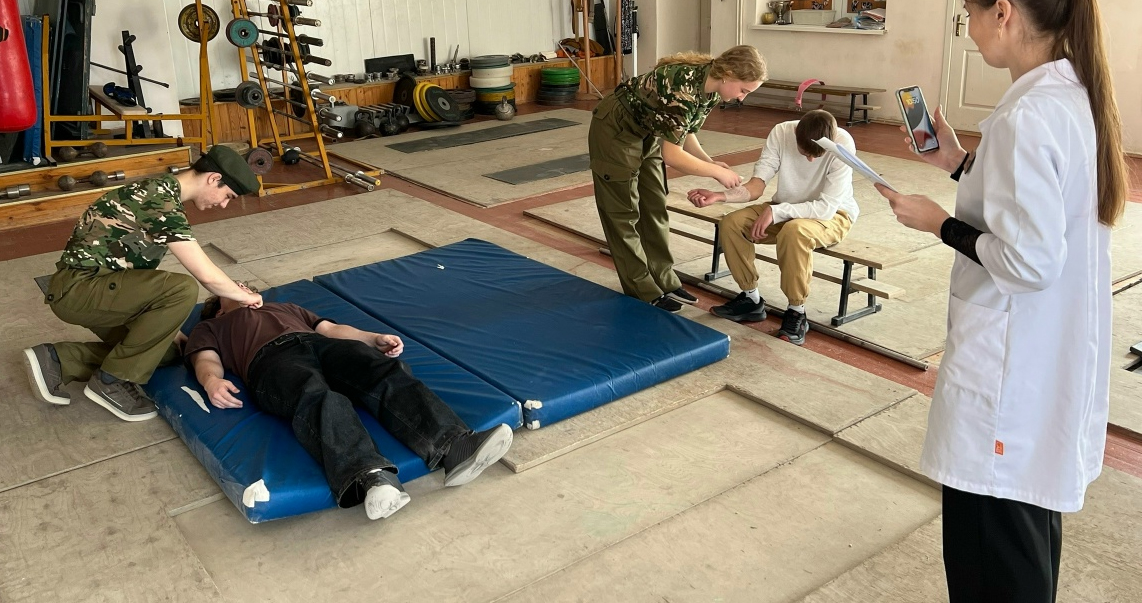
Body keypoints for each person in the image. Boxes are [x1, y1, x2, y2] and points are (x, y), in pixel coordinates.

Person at [876, 0, 1128, 602]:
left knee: (994, 561)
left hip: (1010, 377)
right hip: (1043, 363)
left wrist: (938, 223)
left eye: (970, 12)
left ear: (1004, 13)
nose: (970, 28)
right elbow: (1029, 206)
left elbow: (1028, 260)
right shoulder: (1070, 95)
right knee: (1025, 544)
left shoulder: (1028, 113)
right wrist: (959, 163)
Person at [184, 284, 514, 521]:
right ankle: (371, 478)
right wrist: (211, 380)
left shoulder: (286, 308)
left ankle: (455, 446)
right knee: (316, 396)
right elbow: (205, 359)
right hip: (270, 361)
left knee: (382, 370)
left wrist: (372, 339)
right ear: (218, 305)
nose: (242, 286)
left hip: (320, 344)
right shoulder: (212, 325)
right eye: (233, 286)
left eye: (244, 284)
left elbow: (330, 328)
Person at [23, 146, 264, 422]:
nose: (223, 205)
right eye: (227, 196)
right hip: (80, 289)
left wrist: (168, 328)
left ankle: (58, 360)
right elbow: (206, 275)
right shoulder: (160, 199)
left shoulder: (161, 193)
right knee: (182, 289)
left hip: (98, 287)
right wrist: (245, 296)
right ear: (213, 178)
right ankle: (112, 382)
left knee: (165, 351)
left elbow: (139, 272)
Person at [589, 45, 767, 312]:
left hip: (648, 129)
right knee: (623, 213)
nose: (742, 98)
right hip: (616, 128)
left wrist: (708, 161)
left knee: (654, 205)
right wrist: (717, 172)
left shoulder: (711, 89)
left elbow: (684, 131)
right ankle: (642, 288)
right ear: (728, 75)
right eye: (744, 90)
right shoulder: (683, 88)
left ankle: (664, 279)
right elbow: (673, 155)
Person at [687, 110, 858, 344]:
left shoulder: (843, 143)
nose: (810, 160)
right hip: (786, 208)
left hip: (833, 215)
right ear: (796, 134)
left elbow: (826, 208)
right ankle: (751, 299)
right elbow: (756, 186)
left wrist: (777, 212)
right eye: (805, 153)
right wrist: (719, 196)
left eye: (816, 155)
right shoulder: (782, 132)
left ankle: (797, 311)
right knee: (732, 223)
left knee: (794, 231)